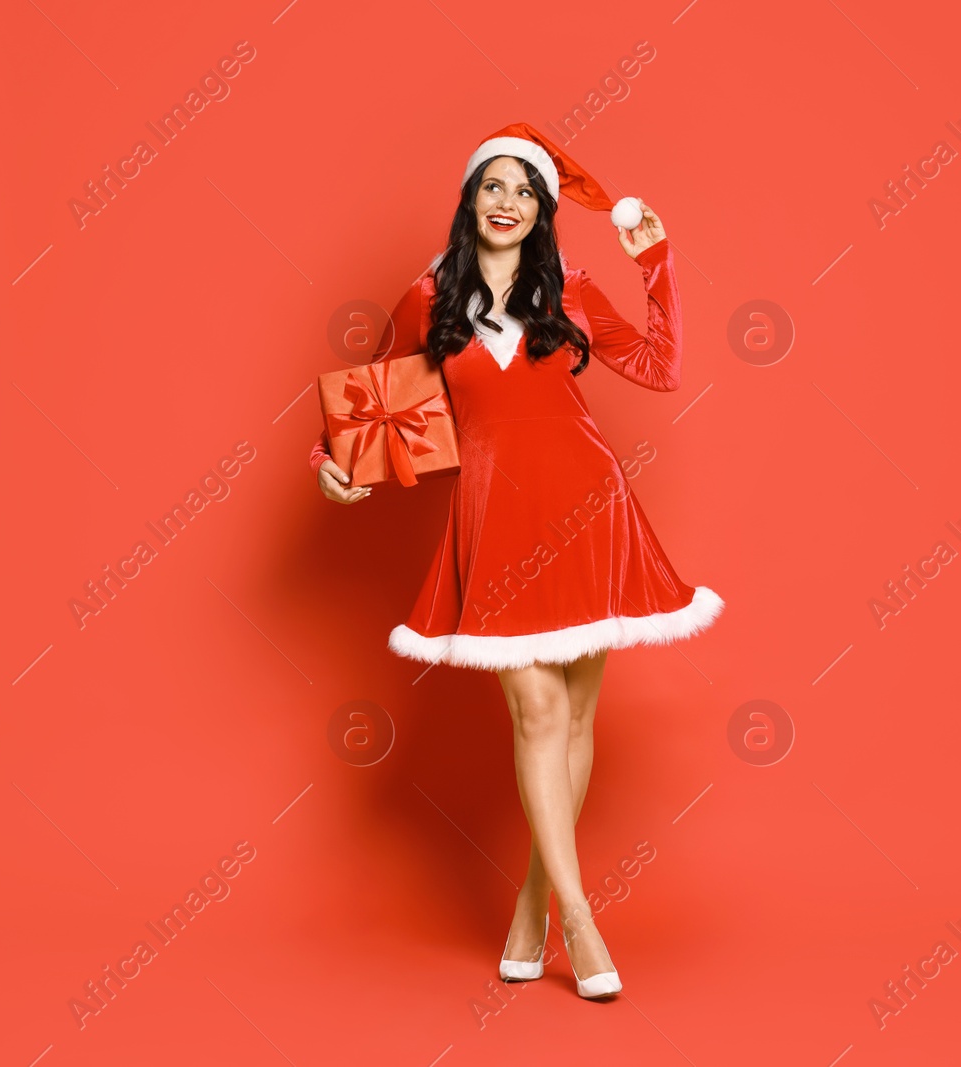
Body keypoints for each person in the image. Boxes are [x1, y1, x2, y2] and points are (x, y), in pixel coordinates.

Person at [311, 123, 723, 1000]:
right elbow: (376, 398)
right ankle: (580, 915)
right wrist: (330, 467)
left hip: (590, 506)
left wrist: (656, 266)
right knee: (537, 710)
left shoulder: (569, 288)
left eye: (525, 191)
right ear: (471, 201)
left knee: (576, 719)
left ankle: (533, 904)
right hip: (494, 516)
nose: (508, 202)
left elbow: (660, 367)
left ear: (542, 210)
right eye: (492, 187)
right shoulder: (428, 296)